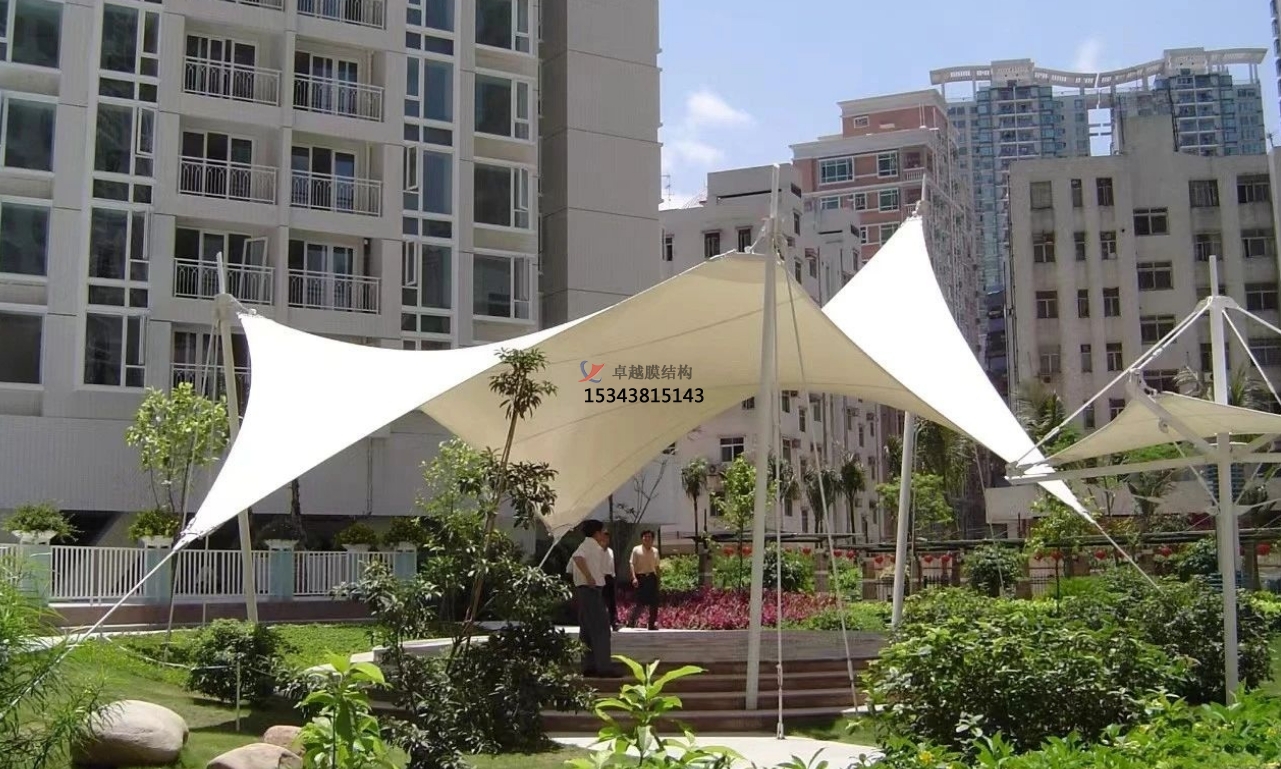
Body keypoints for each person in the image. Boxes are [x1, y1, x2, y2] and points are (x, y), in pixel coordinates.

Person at [567, 519, 618, 676]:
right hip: (591, 590)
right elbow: (577, 558)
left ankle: (589, 666)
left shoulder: (589, 546)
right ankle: (604, 667)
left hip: (586, 590)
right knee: (601, 629)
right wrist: (589, 576)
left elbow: (571, 566)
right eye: (602, 531)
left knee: (587, 629)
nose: (604, 534)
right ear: (596, 533)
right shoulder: (590, 546)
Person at [627, 529, 662, 630]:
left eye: (649, 537)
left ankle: (651, 624)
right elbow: (632, 564)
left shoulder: (655, 551)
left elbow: (657, 566)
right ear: (642, 538)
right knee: (640, 602)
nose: (647, 539)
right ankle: (631, 621)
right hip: (640, 578)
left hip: (652, 577)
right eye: (645, 537)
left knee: (654, 602)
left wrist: (659, 579)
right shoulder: (636, 550)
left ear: (652, 539)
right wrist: (634, 578)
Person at [602, 530, 620, 631]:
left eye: (607, 538)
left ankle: (613, 622)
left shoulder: (610, 551)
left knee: (612, 602)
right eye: (604, 537)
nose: (605, 539)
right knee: (601, 602)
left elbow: (611, 564)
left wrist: (613, 576)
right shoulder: (596, 551)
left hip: (610, 578)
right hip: (600, 578)